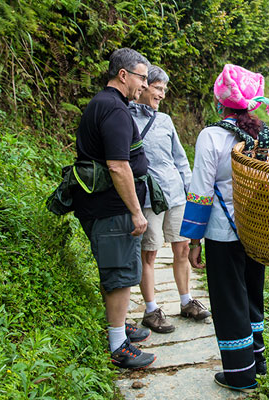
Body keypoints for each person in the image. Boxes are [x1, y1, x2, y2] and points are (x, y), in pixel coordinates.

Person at [180, 64, 269, 392]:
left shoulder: (212, 137)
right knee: (251, 293)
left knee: (230, 298)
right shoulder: (264, 135)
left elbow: (200, 191)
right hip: (256, 230)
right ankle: (258, 360)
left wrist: (194, 240)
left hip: (223, 233)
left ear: (221, 103)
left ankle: (240, 373)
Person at [72, 48, 155, 369]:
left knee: (116, 268)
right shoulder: (115, 111)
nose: (145, 86)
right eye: (142, 78)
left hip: (100, 205)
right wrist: (136, 211)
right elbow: (119, 166)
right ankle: (118, 344)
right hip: (111, 208)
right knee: (120, 274)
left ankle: (119, 327)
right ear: (123, 75)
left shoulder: (101, 104)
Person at [129, 65, 211, 334]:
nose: (162, 94)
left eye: (164, 89)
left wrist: (190, 192)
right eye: (157, 88)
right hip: (148, 198)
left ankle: (186, 302)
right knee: (149, 252)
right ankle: (151, 310)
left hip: (175, 195)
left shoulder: (164, 121)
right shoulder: (125, 117)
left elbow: (179, 159)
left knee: (182, 248)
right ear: (143, 86)